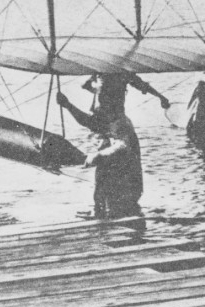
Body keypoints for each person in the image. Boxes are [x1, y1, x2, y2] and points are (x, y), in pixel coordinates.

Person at [56, 73, 167, 222]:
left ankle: (123, 223)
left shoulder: (118, 121)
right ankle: (103, 217)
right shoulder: (103, 111)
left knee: (123, 194)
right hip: (110, 147)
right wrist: (67, 105)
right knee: (102, 190)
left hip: (123, 154)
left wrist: (99, 155)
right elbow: (87, 121)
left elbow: (123, 145)